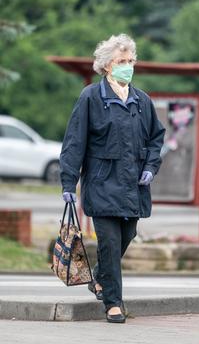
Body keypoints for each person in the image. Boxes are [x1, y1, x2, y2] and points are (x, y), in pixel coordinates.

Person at [59, 33, 166, 323]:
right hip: (102, 184)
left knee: (127, 236)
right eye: (122, 61)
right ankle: (113, 303)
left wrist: (150, 167)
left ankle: (100, 280)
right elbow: (74, 142)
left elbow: (157, 138)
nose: (128, 66)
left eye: (131, 60)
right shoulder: (91, 97)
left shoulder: (142, 100)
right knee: (108, 242)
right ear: (107, 65)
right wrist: (68, 182)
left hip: (133, 187)